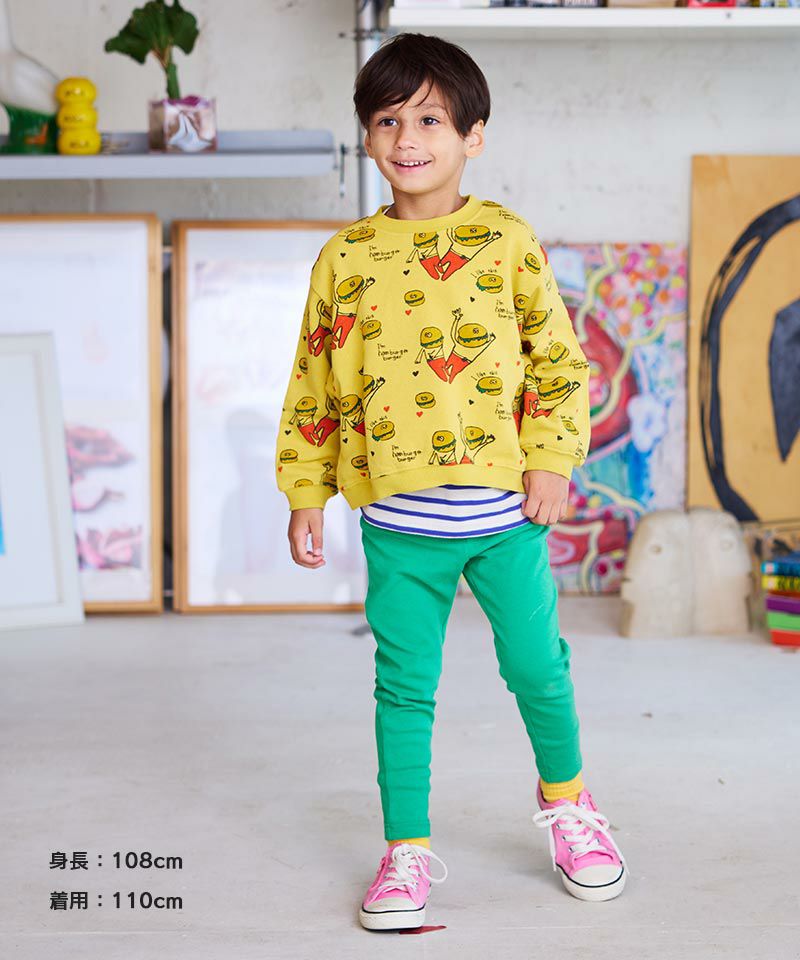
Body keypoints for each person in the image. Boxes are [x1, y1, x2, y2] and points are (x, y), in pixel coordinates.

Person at [275, 31, 626, 931]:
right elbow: (315, 381)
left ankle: (570, 804)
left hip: (506, 515)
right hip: (399, 524)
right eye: (387, 120)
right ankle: (405, 850)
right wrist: (306, 489)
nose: (407, 138)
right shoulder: (346, 258)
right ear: (366, 135)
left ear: (474, 135)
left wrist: (552, 457)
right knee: (404, 686)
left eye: (430, 119)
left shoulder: (505, 240)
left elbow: (558, 361)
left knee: (537, 667)